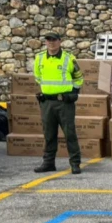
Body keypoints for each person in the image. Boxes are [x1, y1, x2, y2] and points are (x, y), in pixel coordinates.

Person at [33, 32, 84, 174]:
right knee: (49, 135)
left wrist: (73, 93)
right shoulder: (39, 58)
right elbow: (38, 77)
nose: (51, 43)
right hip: (47, 102)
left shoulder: (69, 59)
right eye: (48, 40)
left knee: (70, 134)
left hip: (64, 103)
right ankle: (48, 163)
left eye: (54, 40)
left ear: (60, 42)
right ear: (45, 42)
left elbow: (79, 78)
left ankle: (75, 163)